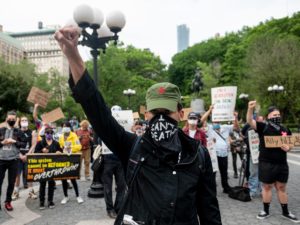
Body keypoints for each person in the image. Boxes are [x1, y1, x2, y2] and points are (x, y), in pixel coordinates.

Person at [55, 26, 222, 225]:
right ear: (146, 114)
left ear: (181, 113)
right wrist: (73, 54)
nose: (160, 118)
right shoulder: (133, 147)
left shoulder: (197, 155)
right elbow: (98, 113)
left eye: (166, 112)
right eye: (155, 113)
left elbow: (209, 212)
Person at [247, 101, 299, 223]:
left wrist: (289, 148)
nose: (277, 117)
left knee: (281, 187)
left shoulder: (285, 129)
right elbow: (250, 121)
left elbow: (290, 144)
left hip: (281, 164)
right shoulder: (263, 127)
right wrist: (250, 109)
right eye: (274, 115)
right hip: (266, 163)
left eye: (278, 115)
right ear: (269, 117)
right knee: (267, 187)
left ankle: (286, 212)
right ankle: (265, 210)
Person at [201, 106, 239, 193]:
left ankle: (225, 187)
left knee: (224, 171)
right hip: (213, 154)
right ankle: (211, 188)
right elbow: (201, 121)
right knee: (213, 172)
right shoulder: (209, 127)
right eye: (214, 120)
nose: (216, 122)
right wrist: (209, 110)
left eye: (217, 120)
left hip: (223, 153)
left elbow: (236, 127)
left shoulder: (225, 127)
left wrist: (235, 117)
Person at [0, 111, 26, 211]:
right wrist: (3, 142)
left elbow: (23, 143)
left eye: (13, 120)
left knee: (11, 183)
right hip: (1, 159)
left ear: (16, 120)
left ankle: (8, 202)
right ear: (6, 119)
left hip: (14, 160)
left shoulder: (18, 131)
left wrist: (14, 141)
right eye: (10, 119)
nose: (11, 121)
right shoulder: (1, 130)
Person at [35, 126, 62, 209]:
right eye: (47, 133)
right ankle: (42, 201)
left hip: (52, 167)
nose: (49, 134)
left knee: (51, 184)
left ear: (52, 134)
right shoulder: (40, 143)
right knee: (42, 184)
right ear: (45, 134)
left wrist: (59, 152)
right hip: (42, 167)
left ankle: (50, 201)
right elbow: (35, 154)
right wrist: (41, 151)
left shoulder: (56, 143)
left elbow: (61, 151)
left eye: (50, 133)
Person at [12, 116, 38, 200]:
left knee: (29, 174)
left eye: (25, 120)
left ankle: (31, 191)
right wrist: (20, 155)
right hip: (18, 156)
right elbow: (14, 145)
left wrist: (27, 155)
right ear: (20, 122)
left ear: (28, 122)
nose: (24, 121)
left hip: (28, 156)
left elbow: (34, 144)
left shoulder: (32, 132)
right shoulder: (16, 132)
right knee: (17, 175)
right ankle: (16, 192)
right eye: (22, 120)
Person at [58, 121, 84, 204]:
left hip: (72, 159)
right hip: (63, 159)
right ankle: (65, 196)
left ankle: (78, 196)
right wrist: (61, 149)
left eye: (66, 126)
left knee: (73, 178)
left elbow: (79, 146)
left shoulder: (74, 135)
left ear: (69, 127)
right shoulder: (61, 137)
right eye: (63, 126)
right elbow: (59, 146)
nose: (64, 127)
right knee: (64, 179)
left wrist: (70, 148)